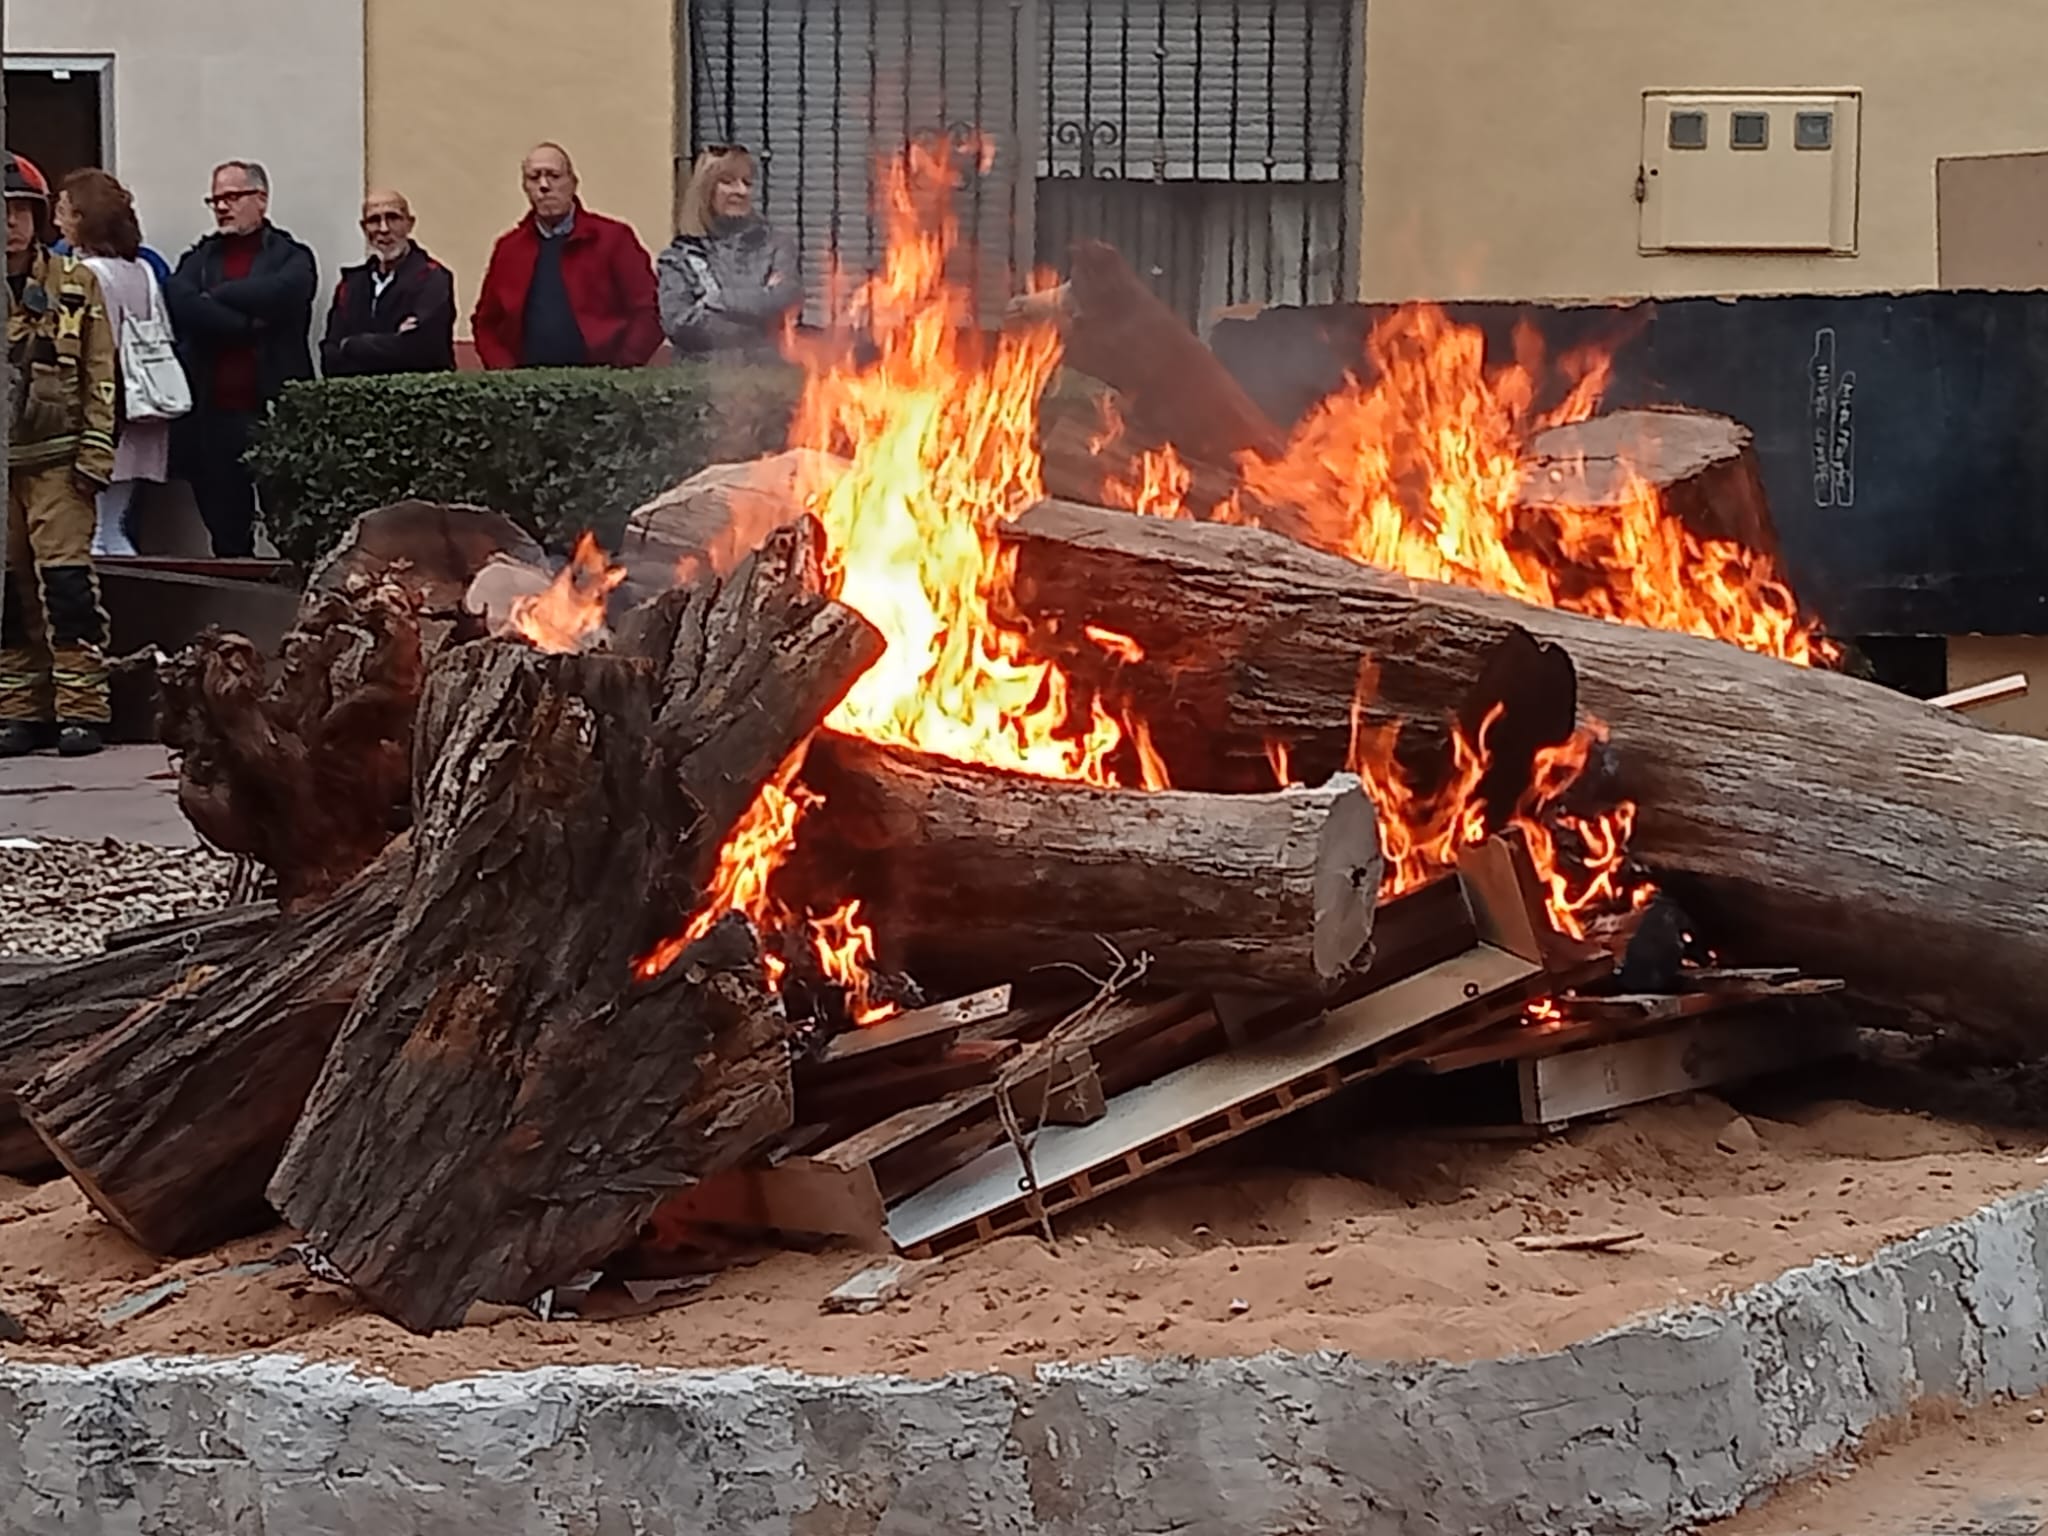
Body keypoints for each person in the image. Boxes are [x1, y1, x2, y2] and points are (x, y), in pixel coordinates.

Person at [1, 152, 118, 757]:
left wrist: (94, 458)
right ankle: (19, 710)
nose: (11, 224)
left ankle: (81, 709)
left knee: (66, 586)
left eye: (21, 211)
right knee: (7, 598)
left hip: (58, 465)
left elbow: (102, 373)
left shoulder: (76, 285)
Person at [164, 160, 316, 558]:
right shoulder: (199, 258)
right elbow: (179, 300)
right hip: (212, 417)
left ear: (261, 199)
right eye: (215, 199)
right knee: (226, 531)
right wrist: (248, 324)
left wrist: (214, 298)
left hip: (272, 414)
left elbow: (286, 292)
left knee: (289, 528)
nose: (221, 207)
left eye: (232, 197)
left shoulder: (291, 256)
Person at [54, 169, 175, 557]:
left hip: (101, 412)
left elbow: (78, 347)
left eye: (64, 211)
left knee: (91, 532)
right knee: (113, 523)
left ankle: (113, 611)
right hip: (142, 405)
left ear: (82, 219)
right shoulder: (141, 270)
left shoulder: (85, 275)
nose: (57, 221)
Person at [471, 143, 661, 369]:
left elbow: (649, 309)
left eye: (554, 175)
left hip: (601, 382)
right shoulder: (509, 248)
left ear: (573, 183)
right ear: (524, 187)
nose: (544, 186)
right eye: (534, 178)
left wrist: (623, 369)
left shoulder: (613, 239)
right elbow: (486, 322)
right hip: (526, 386)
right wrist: (504, 373)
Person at [657, 145, 802, 360]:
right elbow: (680, 326)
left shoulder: (776, 246)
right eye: (728, 181)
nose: (741, 191)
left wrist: (714, 302)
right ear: (705, 190)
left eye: (747, 182)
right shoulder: (678, 257)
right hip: (700, 383)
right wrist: (760, 308)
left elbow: (786, 302)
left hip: (769, 378)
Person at [321, 188, 456, 376]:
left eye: (393, 218)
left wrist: (352, 344)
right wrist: (392, 339)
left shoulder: (433, 278)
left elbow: (421, 349)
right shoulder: (350, 284)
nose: (384, 229)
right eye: (374, 220)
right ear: (363, 228)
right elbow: (330, 355)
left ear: (409, 224)